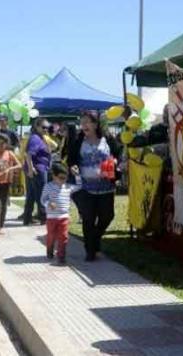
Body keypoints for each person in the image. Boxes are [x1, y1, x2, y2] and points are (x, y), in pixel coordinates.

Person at [66, 111, 120, 261]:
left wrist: (115, 162)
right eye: (82, 122)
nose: (83, 125)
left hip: (106, 186)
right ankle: (90, 251)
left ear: (95, 124)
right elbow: (71, 159)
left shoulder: (107, 139)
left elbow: (118, 154)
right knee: (88, 219)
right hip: (85, 187)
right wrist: (73, 167)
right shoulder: (78, 140)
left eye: (87, 122)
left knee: (108, 216)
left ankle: (94, 239)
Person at [40, 163, 80, 264]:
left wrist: (77, 175)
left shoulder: (67, 187)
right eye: (61, 178)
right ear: (54, 176)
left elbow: (80, 186)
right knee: (51, 236)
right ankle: (50, 249)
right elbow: (42, 199)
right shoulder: (48, 186)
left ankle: (61, 256)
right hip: (51, 218)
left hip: (64, 217)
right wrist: (48, 204)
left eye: (65, 178)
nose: (63, 180)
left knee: (63, 236)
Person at [0, 133, 22, 239]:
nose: (1, 145)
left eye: (3, 143)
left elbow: (19, 165)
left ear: (7, 144)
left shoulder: (9, 153)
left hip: (7, 182)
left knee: (3, 205)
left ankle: (1, 226)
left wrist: (9, 169)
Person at [20, 118, 52, 225]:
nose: (46, 129)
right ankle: (43, 217)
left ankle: (28, 218)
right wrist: (31, 168)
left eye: (47, 128)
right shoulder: (35, 138)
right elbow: (29, 154)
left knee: (32, 195)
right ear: (37, 127)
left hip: (37, 169)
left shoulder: (40, 137)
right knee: (41, 195)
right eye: (43, 127)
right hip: (37, 170)